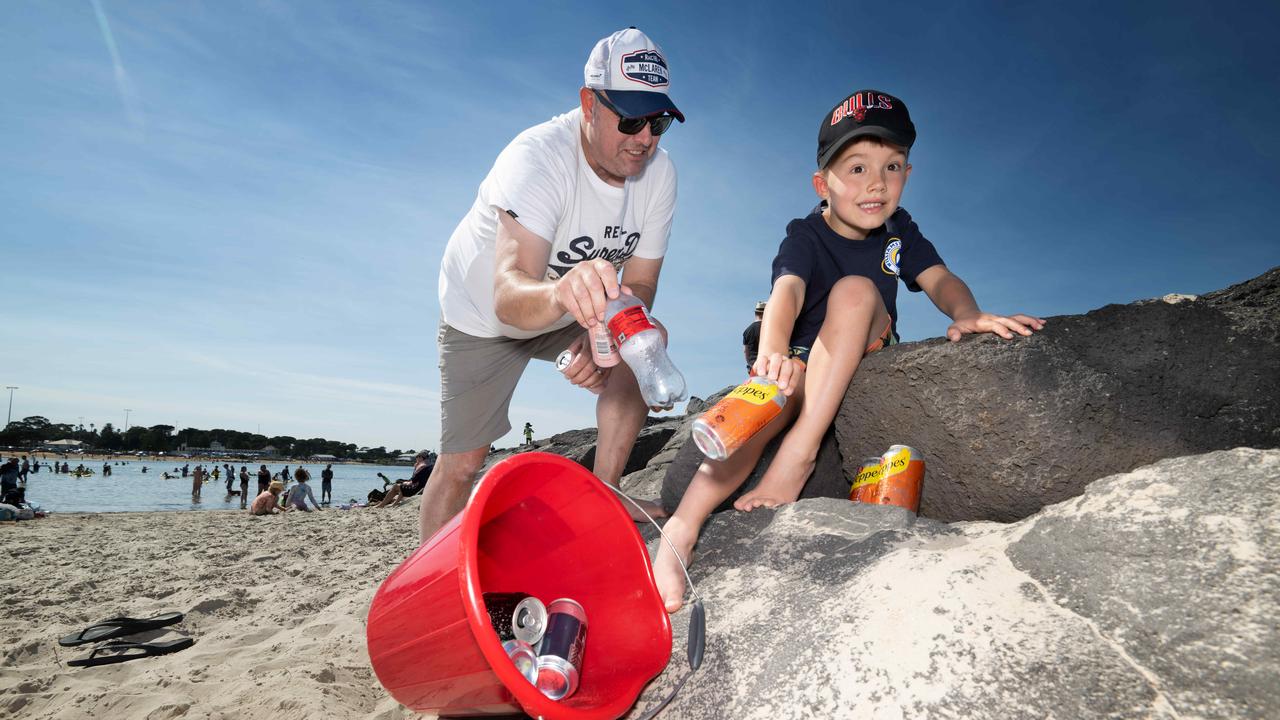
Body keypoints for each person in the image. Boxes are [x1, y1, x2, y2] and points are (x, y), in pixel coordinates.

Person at [651, 89, 1046, 613]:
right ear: (823, 183)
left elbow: (940, 278)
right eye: (857, 168)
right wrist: (771, 352)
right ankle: (682, 527)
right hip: (806, 356)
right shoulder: (805, 234)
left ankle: (800, 453)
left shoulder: (898, 233)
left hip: (868, 343)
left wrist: (966, 315)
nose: (877, 183)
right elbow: (787, 291)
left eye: (893, 166)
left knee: (856, 290)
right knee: (769, 395)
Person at [422, 27, 685, 542]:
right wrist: (567, 294)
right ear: (589, 103)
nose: (645, 138)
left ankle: (604, 492)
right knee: (462, 462)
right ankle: (425, 577)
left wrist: (604, 327)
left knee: (646, 337)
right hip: (483, 314)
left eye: (659, 121)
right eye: (630, 118)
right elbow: (507, 296)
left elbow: (643, 282)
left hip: (574, 306)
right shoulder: (538, 157)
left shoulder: (660, 174)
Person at [742, 300, 766, 374]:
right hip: (767, 365)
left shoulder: (747, 330)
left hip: (753, 367)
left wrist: (750, 364)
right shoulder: (768, 329)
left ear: (755, 313)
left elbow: (745, 351)